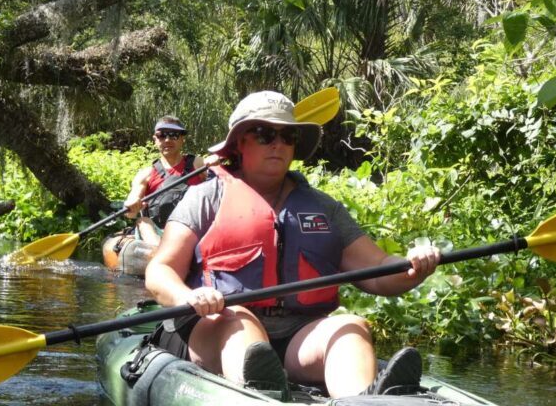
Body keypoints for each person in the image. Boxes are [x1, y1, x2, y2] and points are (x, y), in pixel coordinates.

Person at [143, 91, 441, 399]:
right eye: (264, 134)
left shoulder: (324, 208)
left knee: (351, 327)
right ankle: (262, 392)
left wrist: (411, 267)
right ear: (239, 143)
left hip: (297, 337)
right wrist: (188, 296)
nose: (278, 144)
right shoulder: (205, 197)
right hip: (216, 326)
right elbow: (160, 271)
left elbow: (378, 269)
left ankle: (362, 401)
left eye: (288, 136)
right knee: (241, 322)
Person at [123, 115, 206, 245]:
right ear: (155, 140)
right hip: (158, 234)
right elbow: (130, 212)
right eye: (161, 135)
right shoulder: (145, 174)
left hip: (193, 231)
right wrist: (132, 204)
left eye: (174, 135)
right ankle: (161, 252)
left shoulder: (198, 164)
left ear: (182, 139)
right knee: (142, 222)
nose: (167, 140)